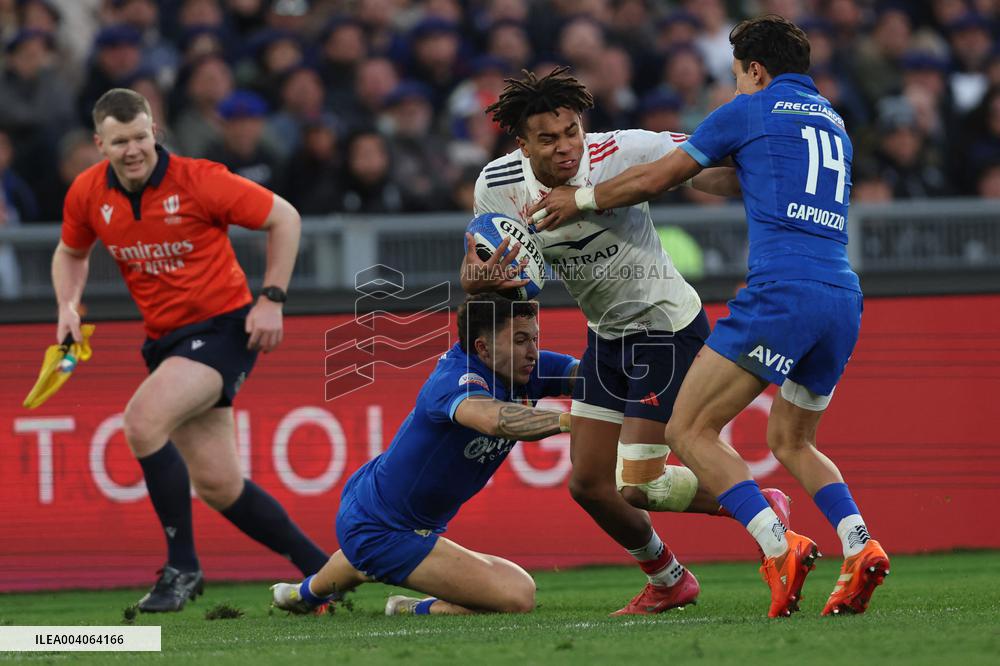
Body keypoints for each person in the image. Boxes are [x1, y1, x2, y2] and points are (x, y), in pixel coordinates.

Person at [530, 16, 890, 618]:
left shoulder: (748, 109)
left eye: (738, 74)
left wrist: (583, 198)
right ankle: (860, 542)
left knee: (688, 431)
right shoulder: (834, 122)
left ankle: (779, 546)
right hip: (842, 295)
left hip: (782, 293)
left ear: (755, 70)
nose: (738, 82)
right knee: (793, 439)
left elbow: (661, 177)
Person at [461, 66, 789, 615]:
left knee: (639, 485)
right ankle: (669, 580)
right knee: (589, 484)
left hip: (664, 325)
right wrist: (486, 278)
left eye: (571, 132)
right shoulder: (496, 187)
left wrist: (763, 175)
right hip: (607, 336)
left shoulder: (623, 150)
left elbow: (709, 168)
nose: (566, 147)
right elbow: (475, 272)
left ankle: (757, 504)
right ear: (522, 144)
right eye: (548, 139)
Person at [53, 88, 328, 612]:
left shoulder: (199, 179)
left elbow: (285, 218)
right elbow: (70, 253)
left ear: (153, 132)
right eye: (119, 141)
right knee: (220, 485)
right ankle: (323, 571)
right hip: (166, 341)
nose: (133, 149)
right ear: (99, 143)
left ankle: (183, 566)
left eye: (140, 137)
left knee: (141, 421)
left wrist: (271, 298)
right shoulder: (88, 192)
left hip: (225, 330)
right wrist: (68, 305)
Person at [272, 294, 578, 615]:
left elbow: (593, 379)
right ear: (482, 348)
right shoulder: (454, 380)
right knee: (517, 594)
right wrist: (570, 420)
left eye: (535, 338)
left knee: (363, 557)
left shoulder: (524, 368)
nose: (532, 351)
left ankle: (301, 595)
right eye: (520, 340)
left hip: (374, 509)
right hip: (384, 528)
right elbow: (490, 418)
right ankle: (410, 608)